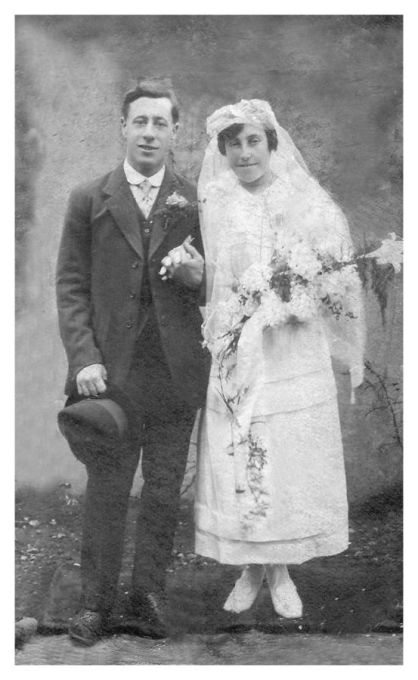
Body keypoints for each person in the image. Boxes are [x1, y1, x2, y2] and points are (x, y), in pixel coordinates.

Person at [195, 99, 365, 618]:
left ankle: (281, 570)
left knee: (287, 456)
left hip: (292, 347)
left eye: (253, 141)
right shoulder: (215, 201)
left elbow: (335, 277)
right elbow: (215, 282)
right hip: (239, 347)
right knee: (243, 453)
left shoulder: (307, 201)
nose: (245, 153)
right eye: (234, 144)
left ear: (272, 144)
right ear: (222, 151)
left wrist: (295, 302)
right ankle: (251, 566)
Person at [56, 78, 209, 645]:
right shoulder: (87, 198)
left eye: (160, 123)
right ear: (124, 127)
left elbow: (207, 285)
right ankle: (95, 604)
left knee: (165, 490)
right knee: (108, 487)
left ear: (175, 132)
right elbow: (70, 286)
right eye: (139, 121)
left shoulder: (195, 201)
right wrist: (84, 359)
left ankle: (146, 598)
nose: (149, 132)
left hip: (174, 371)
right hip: (110, 377)